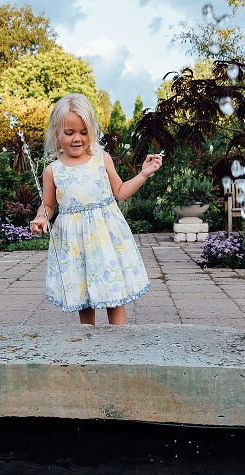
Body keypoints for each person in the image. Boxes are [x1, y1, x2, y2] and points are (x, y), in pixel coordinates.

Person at [29, 93, 163, 325]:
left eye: (83, 132)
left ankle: (120, 345)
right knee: (85, 294)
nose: (77, 139)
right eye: (69, 133)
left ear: (92, 130)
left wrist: (143, 174)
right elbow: (49, 204)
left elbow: (119, 191)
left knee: (114, 293)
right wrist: (41, 216)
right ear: (56, 134)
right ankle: (88, 346)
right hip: (75, 242)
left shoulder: (102, 159)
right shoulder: (53, 170)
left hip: (106, 239)